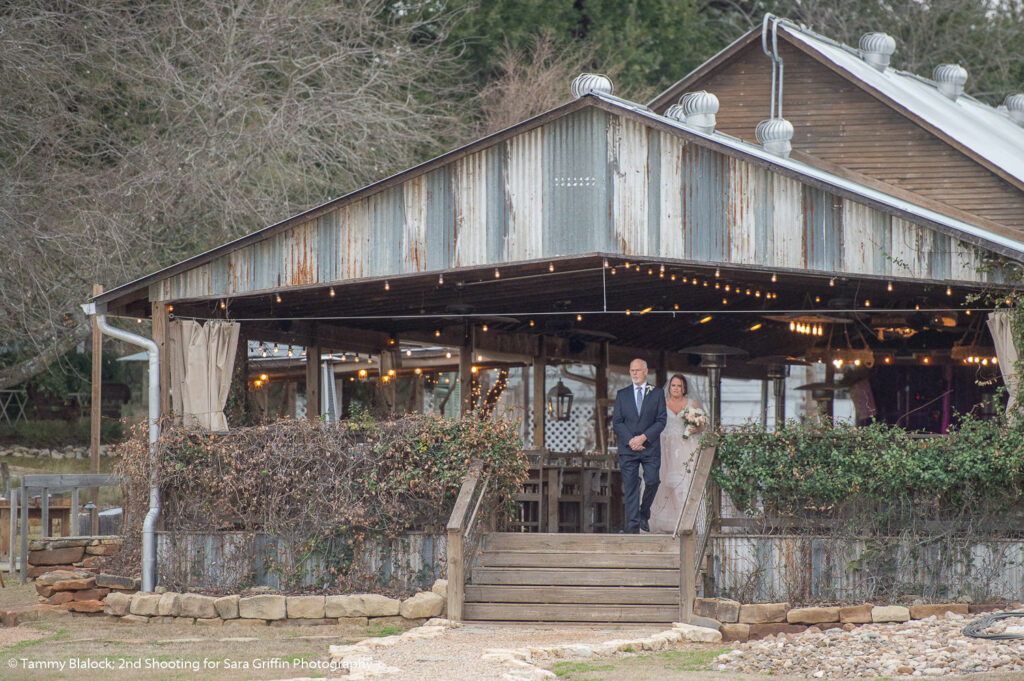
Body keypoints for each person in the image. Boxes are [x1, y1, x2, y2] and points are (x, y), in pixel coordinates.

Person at [611, 358, 667, 533]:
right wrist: (631, 440)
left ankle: (644, 512)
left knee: (652, 480)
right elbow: (617, 422)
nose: (634, 373)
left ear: (645, 371)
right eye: (632, 370)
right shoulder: (622, 394)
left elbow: (661, 421)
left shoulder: (657, 394)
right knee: (631, 487)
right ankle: (633, 526)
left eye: (637, 370)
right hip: (628, 449)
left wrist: (643, 438)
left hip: (650, 447)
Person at [648, 374, 705, 534]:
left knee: (685, 481)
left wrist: (696, 428)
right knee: (665, 483)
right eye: (673, 385)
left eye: (679, 386)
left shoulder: (691, 404)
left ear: (684, 388)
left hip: (687, 446)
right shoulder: (662, 404)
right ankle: (668, 522)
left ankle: (688, 521)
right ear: (669, 387)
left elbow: (702, 426)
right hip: (666, 448)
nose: (676, 388)